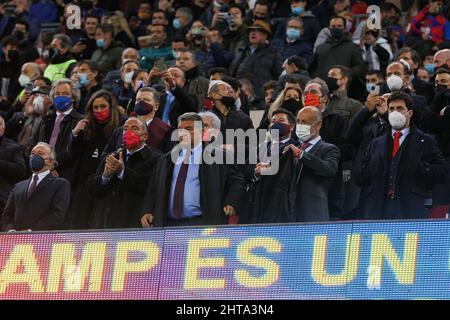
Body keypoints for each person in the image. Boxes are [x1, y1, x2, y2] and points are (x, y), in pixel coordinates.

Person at [354, 91, 449, 219]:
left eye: (399, 108)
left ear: (409, 113)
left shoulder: (425, 141)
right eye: (391, 109)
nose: (395, 112)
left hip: (410, 209)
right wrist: (373, 167)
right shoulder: (376, 143)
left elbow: (442, 172)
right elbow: (360, 177)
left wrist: (418, 166)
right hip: (377, 210)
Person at [140, 112, 245, 227]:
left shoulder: (220, 157)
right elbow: (153, 188)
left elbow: (237, 181)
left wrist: (232, 201)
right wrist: (148, 210)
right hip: (168, 224)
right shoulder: (165, 160)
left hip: (203, 223)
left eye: (188, 128)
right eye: (180, 129)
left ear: (202, 132)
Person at [89, 116, 162, 229]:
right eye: (125, 129)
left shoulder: (157, 158)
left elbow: (149, 187)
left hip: (134, 223)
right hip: (106, 223)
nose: (128, 132)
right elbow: (93, 190)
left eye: (134, 128)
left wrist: (122, 172)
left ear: (145, 136)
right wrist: (105, 177)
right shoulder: (112, 156)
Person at [69, 90, 123, 229]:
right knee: (78, 225)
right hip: (83, 183)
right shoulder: (86, 127)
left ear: (111, 107)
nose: (99, 110)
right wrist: (75, 135)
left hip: (106, 184)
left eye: (103, 106)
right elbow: (73, 154)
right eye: (95, 107)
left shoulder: (120, 127)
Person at [284, 106, 340, 221]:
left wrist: (301, 154)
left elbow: (329, 169)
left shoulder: (329, 148)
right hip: (290, 214)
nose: (300, 125)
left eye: (305, 122)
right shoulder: (291, 150)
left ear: (318, 125)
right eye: (298, 121)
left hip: (314, 214)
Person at [1, 142, 71, 231]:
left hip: (42, 241)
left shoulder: (61, 184)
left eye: (40, 154)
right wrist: (11, 231)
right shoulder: (19, 186)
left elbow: (57, 215)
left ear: (50, 161)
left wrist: (31, 231)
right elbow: (7, 215)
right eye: (33, 153)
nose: (34, 157)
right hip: (16, 240)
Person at [28, 78, 83, 184]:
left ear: (73, 97)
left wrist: (52, 166)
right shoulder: (45, 119)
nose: (61, 96)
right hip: (38, 171)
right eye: (57, 94)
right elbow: (31, 144)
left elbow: (74, 151)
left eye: (65, 93)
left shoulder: (79, 121)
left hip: (64, 174)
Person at [104, 87, 174, 155]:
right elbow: (106, 155)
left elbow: (168, 159)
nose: (141, 102)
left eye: (146, 100)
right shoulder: (120, 131)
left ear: (156, 106)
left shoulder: (166, 131)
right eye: (138, 100)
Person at [229, 20, 282, 102]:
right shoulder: (242, 52)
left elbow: (278, 76)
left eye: (257, 31)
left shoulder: (273, 53)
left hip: (260, 97)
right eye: (251, 31)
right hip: (239, 94)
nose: (252, 33)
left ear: (265, 35)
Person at [310, 16, 366, 92]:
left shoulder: (353, 47)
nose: (336, 28)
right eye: (333, 26)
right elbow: (313, 68)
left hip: (346, 91)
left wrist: (344, 74)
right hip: (323, 91)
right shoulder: (321, 48)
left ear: (344, 28)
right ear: (329, 28)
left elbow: (360, 67)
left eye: (339, 26)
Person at [0, 115, 26, 228]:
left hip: (3, 201)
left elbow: (21, 171)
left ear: (4, 128)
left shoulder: (14, 147)